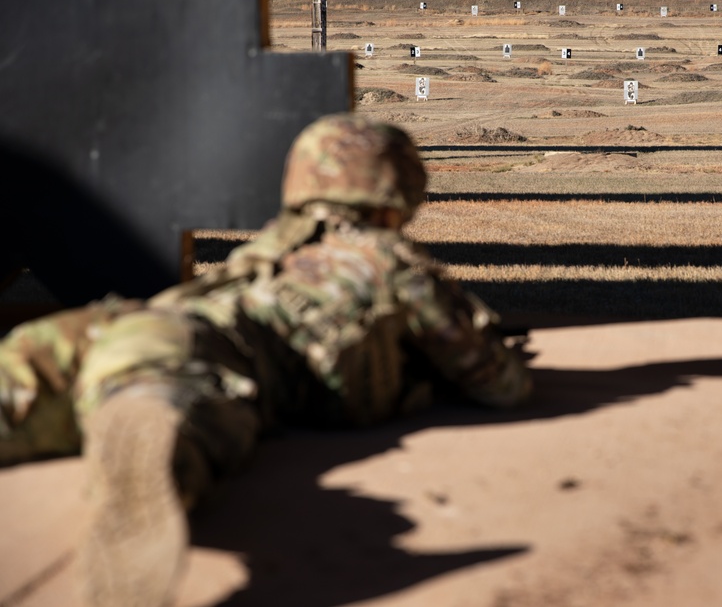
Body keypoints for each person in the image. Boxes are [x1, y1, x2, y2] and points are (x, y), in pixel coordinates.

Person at [0, 114, 532, 607]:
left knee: (20, 386)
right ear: (397, 188)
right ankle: (149, 428)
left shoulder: (272, 246)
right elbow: (499, 384)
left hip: (126, 322)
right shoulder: (392, 263)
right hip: (202, 350)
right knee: (177, 409)